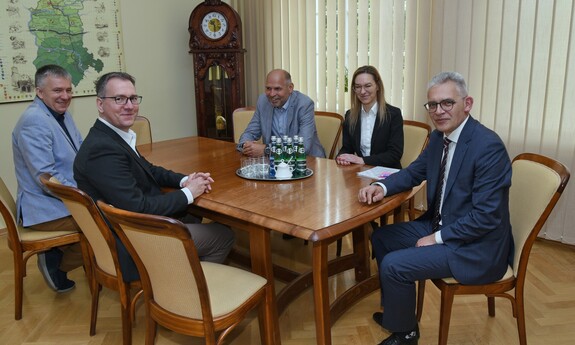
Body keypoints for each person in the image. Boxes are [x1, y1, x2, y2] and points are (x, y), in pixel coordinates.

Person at [358, 72, 513, 345]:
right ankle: (398, 314)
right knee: (382, 237)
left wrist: (437, 238)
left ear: (467, 104)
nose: (438, 111)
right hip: (443, 224)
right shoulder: (439, 136)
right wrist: (380, 187)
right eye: (432, 105)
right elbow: (413, 173)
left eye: (447, 103)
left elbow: (486, 217)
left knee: (395, 265)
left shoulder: (487, 146)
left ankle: (406, 334)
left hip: (475, 246)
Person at [74, 72, 235, 282]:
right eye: (119, 99)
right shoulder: (102, 150)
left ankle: (182, 275)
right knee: (224, 236)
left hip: (132, 228)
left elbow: (149, 169)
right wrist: (189, 192)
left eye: (133, 98)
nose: (129, 105)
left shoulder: (111, 137)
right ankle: (186, 294)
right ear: (100, 104)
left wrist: (184, 180)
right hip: (133, 241)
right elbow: (137, 208)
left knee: (192, 213)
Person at [12, 64, 84, 293]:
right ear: (39, 92)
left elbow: (80, 152)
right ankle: (58, 265)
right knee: (106, 224)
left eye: (68, 90)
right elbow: (47, 177)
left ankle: (59, 251)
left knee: (113, 210)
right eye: (57, 91)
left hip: (62, 200)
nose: (65, 96)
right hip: (44, 208)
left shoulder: (60, 113)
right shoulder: (34, 121)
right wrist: (86, 195)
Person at [237, 69, 326, 158]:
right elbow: (250, 133)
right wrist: (246, 145)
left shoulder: (304, 104)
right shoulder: (263, 101)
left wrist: (266, 150)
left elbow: (302, 147)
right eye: (268, 88)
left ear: (290, 88)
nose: (272, 94)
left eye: (277, 89)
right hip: (275, 162)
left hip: (307, 161)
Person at [336, 65, 404, 168]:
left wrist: (362, 160)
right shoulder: (350, 115)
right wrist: (342, 157)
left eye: (367, 86)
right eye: (358, 87)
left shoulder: (393, 114)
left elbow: (394, 154)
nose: (362, 91)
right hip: (360, 172)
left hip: (387, 173)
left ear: (377, 86)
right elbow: (347, 148)